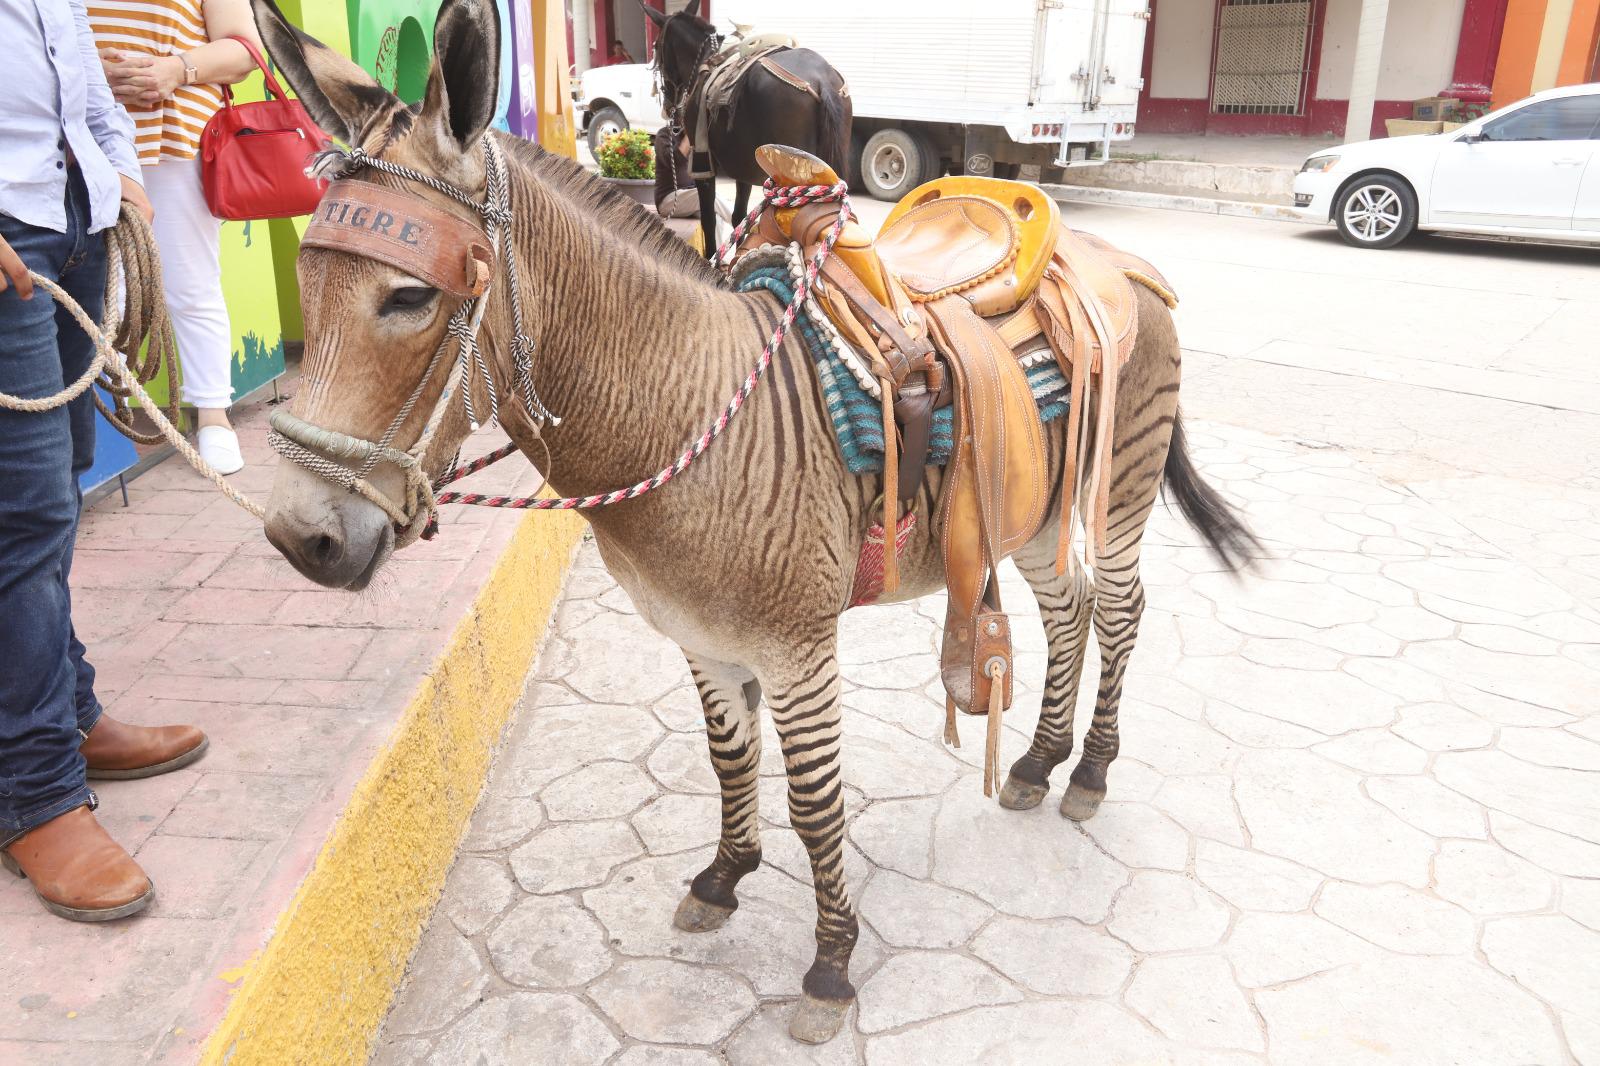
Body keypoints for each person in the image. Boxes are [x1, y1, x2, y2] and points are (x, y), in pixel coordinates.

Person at [1, 0, 208, 923]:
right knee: (24, 513)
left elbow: (82, 82)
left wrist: (120, 176)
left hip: (75, 222)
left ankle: (68, 713)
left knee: (61, 486)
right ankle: (34, 790)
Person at [92, 0, 265, 476]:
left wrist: (176, 69)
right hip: (81, 136)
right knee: (95, 288)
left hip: (175, 135)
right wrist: (84, 69)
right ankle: (96, 417)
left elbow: (245, 48)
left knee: (191, 282)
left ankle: (213, 415)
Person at [653, 125, 700, 219]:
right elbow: (672, 162)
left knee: (713, 214)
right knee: (707, 195)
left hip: (689, 197)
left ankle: (730, 228)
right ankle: (734, 222)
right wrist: (688, 137)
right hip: (668, 200)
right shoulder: (664, 134)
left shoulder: (694, 139)